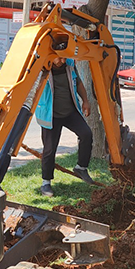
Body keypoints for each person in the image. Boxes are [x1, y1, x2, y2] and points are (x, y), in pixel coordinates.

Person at [36, 57, 94, 197]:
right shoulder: (42, 66)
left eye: (63, 57)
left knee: (86, 134)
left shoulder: (69, 63)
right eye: (57, 57)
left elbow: (78, 82)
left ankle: (81, 167)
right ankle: (46, 183)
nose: (61, 60)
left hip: (70, 112)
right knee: (49, 150)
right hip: (51, 115)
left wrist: (85, 101)